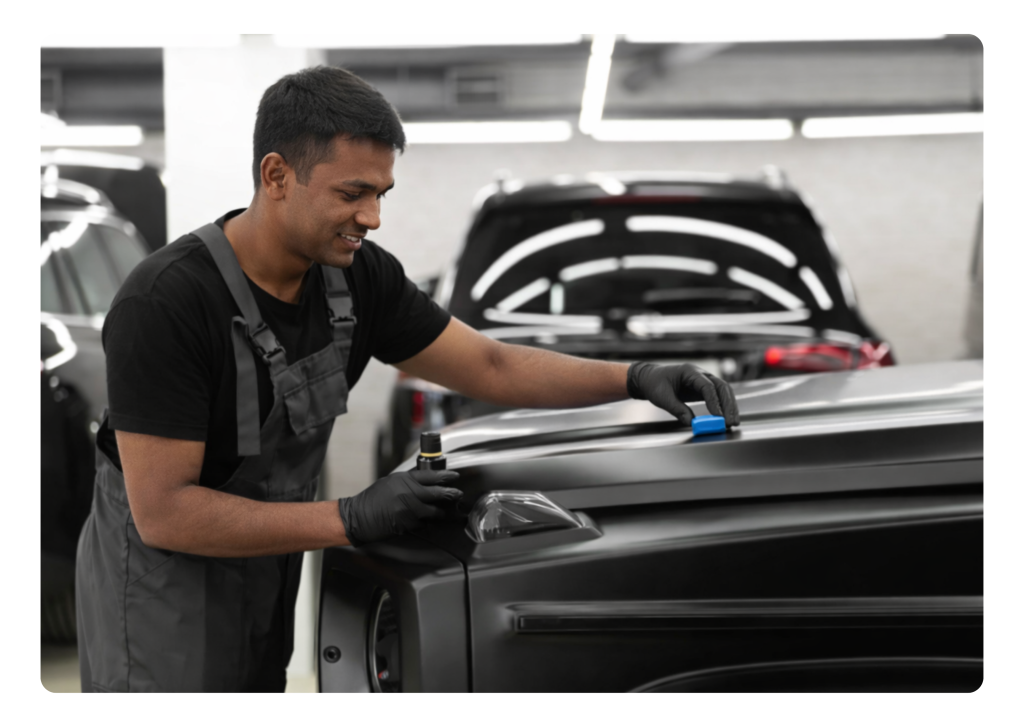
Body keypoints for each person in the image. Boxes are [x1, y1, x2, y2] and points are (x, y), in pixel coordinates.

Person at [75, 66, 740, 694]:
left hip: (262, 577)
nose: (372, 217)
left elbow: (490, 365)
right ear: (277, 175)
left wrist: (636, 377)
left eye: (380, 194)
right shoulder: (167, 303)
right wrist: (351, 516)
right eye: (351, 194)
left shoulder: (358, 279)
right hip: (159, 598)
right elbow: (164, 512)